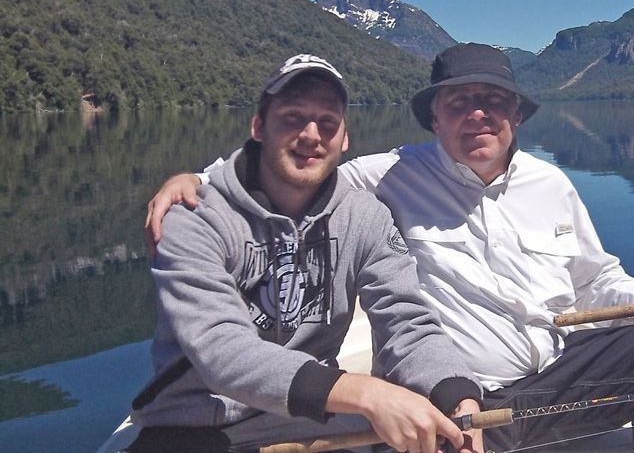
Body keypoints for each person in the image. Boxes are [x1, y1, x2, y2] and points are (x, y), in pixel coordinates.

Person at [148, 44, 634, 452]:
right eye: (458, 102)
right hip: (233, 420)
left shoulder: (550, 184)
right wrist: (195, 178)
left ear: (517, 114)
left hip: (533, 383)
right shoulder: (377, 181)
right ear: (434, 120)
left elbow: (410, 322)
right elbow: (283, 177)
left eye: (494, 101)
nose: (478, 113)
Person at [130, 54, 483, 453]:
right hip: (198, 425)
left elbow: (406, 321)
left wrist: (458, 396)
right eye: (294, 117)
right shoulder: (195, 217)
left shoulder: (364, 217)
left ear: (345, 139)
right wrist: (366, 393)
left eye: (328, 122)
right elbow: (219, 347)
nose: (312, 135)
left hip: (316, 415)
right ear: (259, 126)